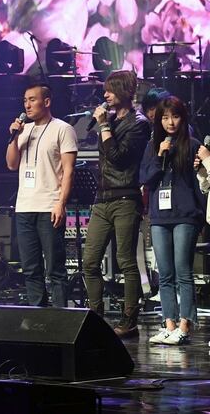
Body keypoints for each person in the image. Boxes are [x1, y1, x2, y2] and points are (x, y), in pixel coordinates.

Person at [83, 70, 151, 337]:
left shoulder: (139, 123)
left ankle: (129, 319)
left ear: (124, 91)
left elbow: (120, 158)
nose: (105, 95)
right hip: (102, 199)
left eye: (110, 90)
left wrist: (103, 127)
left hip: (125, 198)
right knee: (89, 261)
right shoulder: (109, 120)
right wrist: (103, 125)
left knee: (125, 261)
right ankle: (96, 317)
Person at [6, 84, 78, 307]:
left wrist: (60, 203)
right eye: (25, 100)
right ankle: (38, 316)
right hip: (25, 207)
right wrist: (14, 137)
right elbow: (11, 164)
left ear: (46, 102)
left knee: (55, 267)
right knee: (30, 268)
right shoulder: (23, 130)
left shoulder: (63, 129)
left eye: (32, 99)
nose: (27, 105)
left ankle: (60, 319)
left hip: (49, 205)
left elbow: (68, 170)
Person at [143, 97, 203, 345]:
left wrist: (200, 218)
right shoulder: (153, 145)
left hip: (185, 216)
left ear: (183, 118)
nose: (170, 122)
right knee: (164, 274)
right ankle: (169, 324)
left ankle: (185, 325)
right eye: (165, 117)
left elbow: (200, 185)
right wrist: (159, 156)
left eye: (175, 116)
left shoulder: (193, 145)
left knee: (182, 272)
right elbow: (146, 177)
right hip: (159, 216)